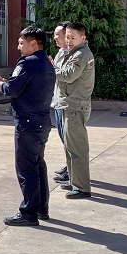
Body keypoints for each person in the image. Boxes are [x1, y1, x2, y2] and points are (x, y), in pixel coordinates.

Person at [0, 26, 55, 226]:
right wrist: (6, 82)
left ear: (33, 43)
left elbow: (13, 90)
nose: (18, 47)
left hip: (27, 123)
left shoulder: (27, 63)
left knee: (26, 169)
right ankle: (41, 208)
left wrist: (1, 85)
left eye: (21, 43)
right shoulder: (46, 62)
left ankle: (29, 213)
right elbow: (27, 87)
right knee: (38, 165)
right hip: (42, 122)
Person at [56, 22, 95, 199]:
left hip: (75, 106)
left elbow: (68, 75)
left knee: (77, 149)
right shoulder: (74, 53)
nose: (69, 41)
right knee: (70, 147)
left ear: (83, 38)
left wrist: (52, 68)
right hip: (69, 105)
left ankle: (82, 188)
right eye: (67, 37)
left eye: (73, 37)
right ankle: (74, 181)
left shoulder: (81, 54)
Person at [50, 21, 70, 183]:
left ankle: (72, 172)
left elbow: (66, 76)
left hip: (67, 103)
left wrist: (53, 67)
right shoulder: (61, 52)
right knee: (64, 137)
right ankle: (69, 167)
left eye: (58, 34)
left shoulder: (73, 54)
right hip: (58, 101)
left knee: (70, 139)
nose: (55, 38)